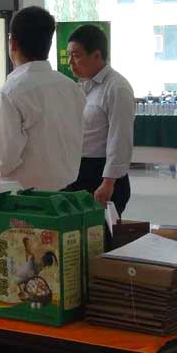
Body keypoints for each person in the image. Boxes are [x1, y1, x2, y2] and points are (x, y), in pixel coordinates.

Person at [0, 6, 86, 191]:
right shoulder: (72, 88)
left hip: (25, 200)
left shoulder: (11, 93)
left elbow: (3, 163)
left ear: (13, 43)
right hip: (66, 194)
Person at [65, 24, 135, 215]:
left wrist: (108, 182)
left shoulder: (116, 88)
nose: (70, 62)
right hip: (78, 171)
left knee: (99, 231)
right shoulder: (81, 86)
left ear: (97, 55)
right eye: (69, 55)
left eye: (76, 55)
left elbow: (120, 138)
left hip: (102, 175)